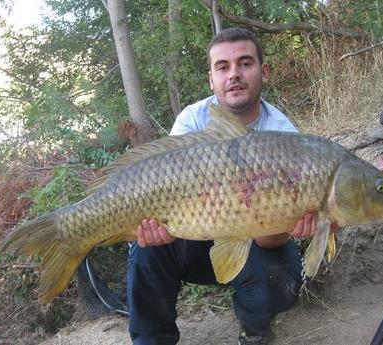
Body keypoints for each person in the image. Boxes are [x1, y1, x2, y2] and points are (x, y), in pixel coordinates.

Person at [127, 27, 319, 345]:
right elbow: (162, 189)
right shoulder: (191, 121)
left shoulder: (284, 136)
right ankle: (151, 339)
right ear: (211, 79)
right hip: (193, 233)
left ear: (263, 71)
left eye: (245, 63)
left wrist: (289, 222)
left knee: (281, 279)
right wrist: (157, 230)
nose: (234, 75)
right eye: (223, 67)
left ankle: (254, 325)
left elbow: (270, 240)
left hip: (254, 237)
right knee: (145, 247)